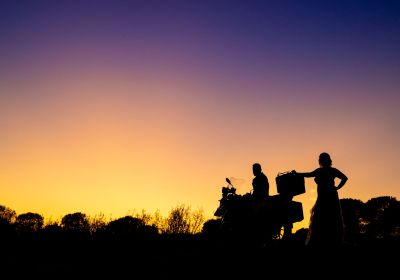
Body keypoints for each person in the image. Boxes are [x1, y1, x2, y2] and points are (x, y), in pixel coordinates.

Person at [293, 152, 348, 248]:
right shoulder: (331, 170)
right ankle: (331, 240)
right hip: (329, 196)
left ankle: (322, 240)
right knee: (331, 217)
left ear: (321, 161)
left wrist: (297, 174)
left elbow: (308, 174)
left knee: (322, 217)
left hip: (326, 197)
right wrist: (337, 187)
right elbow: (344, 178)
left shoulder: (321, 171)